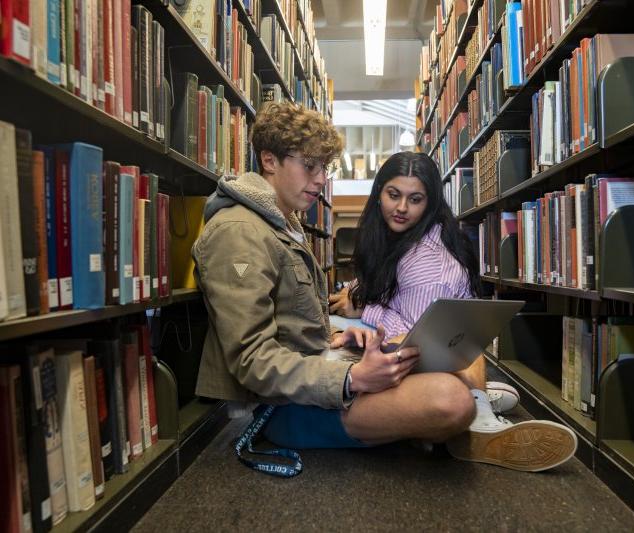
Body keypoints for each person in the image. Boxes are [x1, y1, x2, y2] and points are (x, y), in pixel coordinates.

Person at [192, 102, 575, 474]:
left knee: (457, 345)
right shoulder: (241, 233)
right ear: (269, 160)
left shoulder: (281, 223)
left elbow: (290, 324)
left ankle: (453, 416)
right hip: (282, 407)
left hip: (317, 378)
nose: (322, 179)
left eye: (324, 167)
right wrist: (353, 378)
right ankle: (463, 422)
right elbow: (250, 361)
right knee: (450, 399)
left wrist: (339, 338)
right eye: (309, 166)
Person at [329, 151, 578, 470]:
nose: (402, 208)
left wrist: (364, 309)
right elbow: (391, 301)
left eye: (415, 199)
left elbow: (415, 342)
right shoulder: (400, 240)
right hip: (444, 353)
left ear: (429, 203)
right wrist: (362, 300)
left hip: (432, 358)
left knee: (379, 368)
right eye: (394, 195)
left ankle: (477, 417)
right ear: (379, 193)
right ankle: (479, 395)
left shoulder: (428, 265)